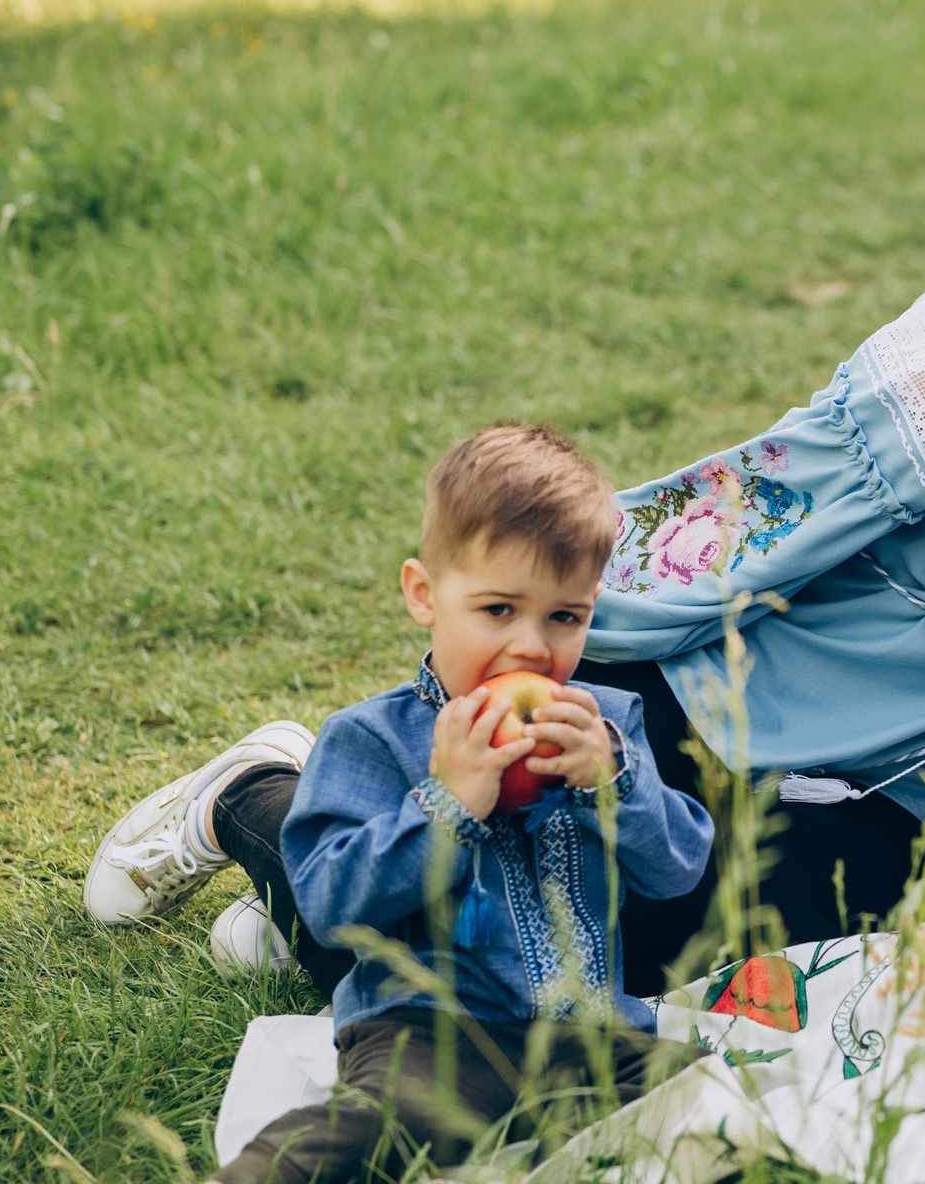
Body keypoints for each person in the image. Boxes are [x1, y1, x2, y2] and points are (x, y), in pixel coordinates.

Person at [83, 26, 925, 999]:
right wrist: (534, 641)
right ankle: (263, 792)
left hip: (895, 800)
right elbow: (761, 504)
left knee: (683, 987)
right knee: (504, 949)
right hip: (714, 714)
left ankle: (313, 894)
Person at [190, 425, 712, 1184]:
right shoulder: (374, 739)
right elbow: (334, 903)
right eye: (499, 610)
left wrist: (617, 784)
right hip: (435, 1036)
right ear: (424, 595)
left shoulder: (607, 728)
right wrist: (448, 804)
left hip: (594, 1037)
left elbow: (677, 870)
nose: (532, 647)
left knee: (714, 1107)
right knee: (375, 1132)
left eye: (564, 617)